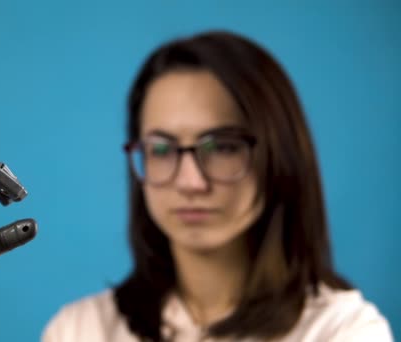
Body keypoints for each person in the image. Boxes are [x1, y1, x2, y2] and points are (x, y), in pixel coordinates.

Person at [41, 30, 393, 341]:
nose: (190, 182)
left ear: (279, 157)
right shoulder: (79, 331)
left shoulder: (344, 332)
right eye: (161, 149)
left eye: (223, 147)